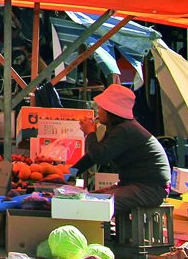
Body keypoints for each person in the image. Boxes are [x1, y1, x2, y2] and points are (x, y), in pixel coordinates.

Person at [72, 83, 171, 215]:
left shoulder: (125, 130)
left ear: (110, 111)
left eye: (101, 107)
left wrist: (90, 133)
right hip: (133, 184)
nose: (98, 111)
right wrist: (70, 173)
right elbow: (92, 156)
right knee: (84, 199)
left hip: (150, 189)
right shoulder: (118, 128)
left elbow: (100, 156)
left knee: (92, 206)